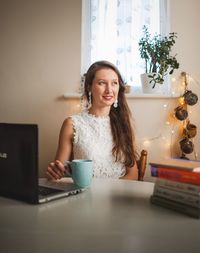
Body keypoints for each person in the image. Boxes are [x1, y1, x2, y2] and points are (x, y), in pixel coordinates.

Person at [46, 60, 139, 180]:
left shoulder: (123, 123)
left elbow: (133, 174)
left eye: (114, 83)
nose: (109, 90)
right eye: (102, 83)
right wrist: (55, 173)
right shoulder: (72, 124)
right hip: (85, 195)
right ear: (89, 87)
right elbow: (58, 174)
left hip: (117, 196)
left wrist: (109, 195)